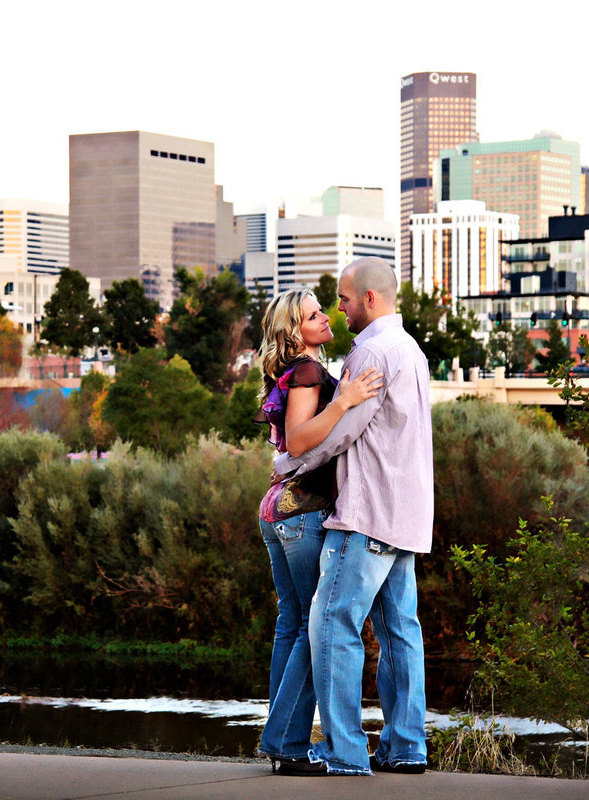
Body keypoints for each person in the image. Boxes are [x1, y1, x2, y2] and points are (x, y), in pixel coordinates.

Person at [274, 256, 434, 776]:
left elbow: (344, 433)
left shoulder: (370, 352)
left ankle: (345, 752)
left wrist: (288, 463)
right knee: (400, 632)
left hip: (366, 516)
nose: (339, 309)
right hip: (408, 516)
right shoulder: (411, 351)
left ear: (368, 298)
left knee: (331, 625)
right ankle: (405, 747)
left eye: (342, 299)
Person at [253, 288, 382, 776]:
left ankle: (282, 737)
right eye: (312, 316)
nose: (325, 317)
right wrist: (344, 399)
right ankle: (284, 742)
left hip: (281, 510)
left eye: (322, 310)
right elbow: (303, 436)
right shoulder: (308, 372)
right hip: (302, 512)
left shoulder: (297, 372)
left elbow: (288, 443)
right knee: (315, 628)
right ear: (294, 331)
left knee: (292, 625)